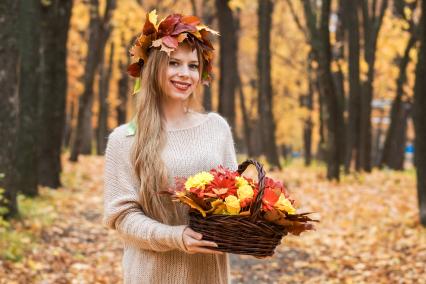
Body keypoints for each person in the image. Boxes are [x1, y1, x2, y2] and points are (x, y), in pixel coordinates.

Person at [103, 10, 238, 284]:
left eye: (193, 66)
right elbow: (123, 217)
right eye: (174, 63)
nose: (185, 74)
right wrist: (175, 236)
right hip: (150, 274)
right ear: (153, 67)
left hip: (208, 274)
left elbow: (235, 202)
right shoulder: (125, 139)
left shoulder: (216, 128)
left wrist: (274, 220)